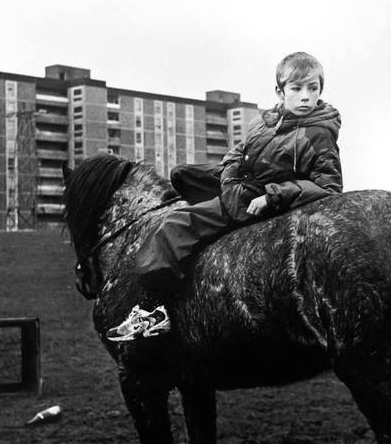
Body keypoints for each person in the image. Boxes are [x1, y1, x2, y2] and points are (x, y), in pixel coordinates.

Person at [108, 52, 342, 341]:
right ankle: (208, 199)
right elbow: (238, 153)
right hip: (242, 184)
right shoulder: (266, 123)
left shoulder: (319, 132)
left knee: (176, 223)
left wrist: (273, 196)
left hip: (257, 199)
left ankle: (154, 310)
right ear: (280, 92)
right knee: (181, 174)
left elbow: (329, 187)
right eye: (297, 89)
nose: (305, 97)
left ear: (321, 89)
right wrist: (229, 175)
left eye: (313, 88)